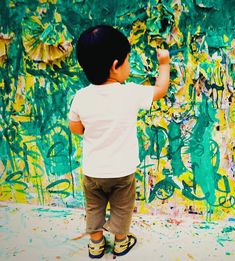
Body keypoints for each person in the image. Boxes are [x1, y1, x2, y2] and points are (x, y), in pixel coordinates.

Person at [68, 25, 170, 259]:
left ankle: (95, 245)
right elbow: (161, 90)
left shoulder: (81, 97)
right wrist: (164, 64)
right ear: (115, 66)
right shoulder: (130, 93)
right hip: (122, 173)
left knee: (94, 208)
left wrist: (93, 132)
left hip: (93, 172)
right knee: (121, 209)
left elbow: (75, 127)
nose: (129, 65)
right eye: (128, 61)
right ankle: (121, 243)